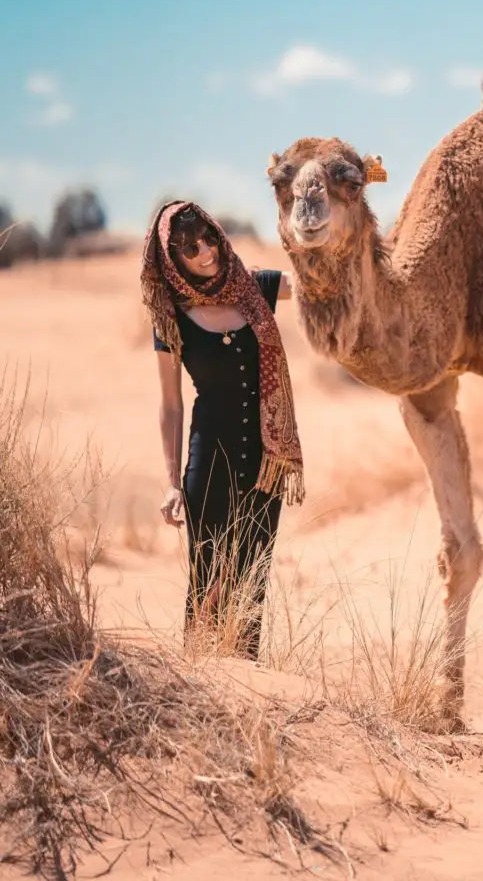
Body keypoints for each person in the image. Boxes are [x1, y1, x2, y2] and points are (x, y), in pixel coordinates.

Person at [140, 199, 305, 658]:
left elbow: (315, 283)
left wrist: (322, 217)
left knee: (251, 585)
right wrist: (171, 483)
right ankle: (202, 692)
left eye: (208, 237)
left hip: (265, 465)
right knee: (207, 581)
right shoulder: (169, 316)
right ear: (172, 258)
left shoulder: (255, 286)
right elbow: (170, 404)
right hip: (209, 464)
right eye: (190, 247)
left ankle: (246, 688)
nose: (205, 251)